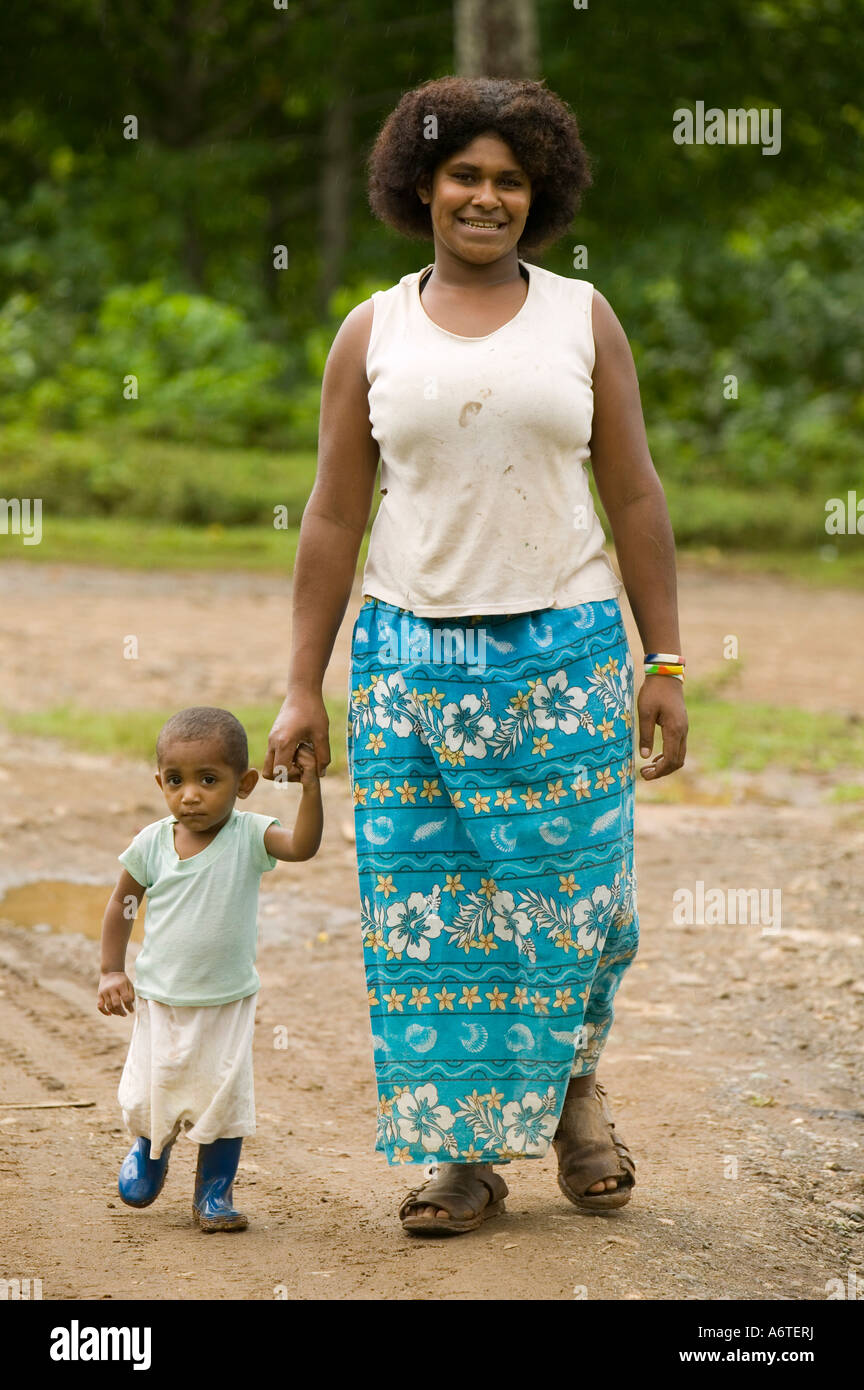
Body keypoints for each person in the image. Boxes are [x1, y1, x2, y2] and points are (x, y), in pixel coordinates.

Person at [264, 75, 688, 1236]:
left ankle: (575, 1100)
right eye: (464, 174)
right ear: (422, 184)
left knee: (573, 904)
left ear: (537, 194)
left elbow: (636, 492)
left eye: (509, 178)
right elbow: (333, 520)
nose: (486, 196)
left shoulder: (581, 317)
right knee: (430, 917)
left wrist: (668, 664)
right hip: (409, 664)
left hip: (565, 657)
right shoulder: (373, 329)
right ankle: (460, 1157)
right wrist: (304, 682)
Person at [98, 706, 322, 1232]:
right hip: (159, 998)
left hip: (226, 1000)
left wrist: (310, 790)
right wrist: (112, 970)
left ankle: (215, 1191)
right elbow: (120, 906)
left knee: (223, 1095)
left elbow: (302, 847)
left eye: (208, 780)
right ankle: (151, 1151)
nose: (190, 795)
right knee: (151, 1089)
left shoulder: (249, 835)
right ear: (160, 782)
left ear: (243, 784)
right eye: (175, 781)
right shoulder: (152, 843)